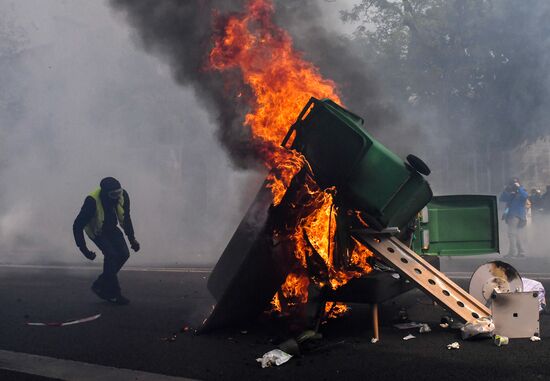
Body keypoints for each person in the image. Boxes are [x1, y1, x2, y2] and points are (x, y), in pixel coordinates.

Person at [73, 177, 140, 304]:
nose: (117, 197)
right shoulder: (91, 201)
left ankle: (100, 283)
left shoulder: (123, 195)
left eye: (118, 193)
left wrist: (132, 240)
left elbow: (126, 219)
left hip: (112, 228)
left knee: (124, 254)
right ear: (105, 194)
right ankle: (114, 293)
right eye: (113, 195)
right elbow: (77, 225)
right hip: (97, 231)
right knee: (111, 256)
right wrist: (84, 249)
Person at [499, 178, 528, 258]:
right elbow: (502, 198)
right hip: (514, 215)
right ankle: (521, 252)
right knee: (516, 234)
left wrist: (519, 188)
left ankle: (512, 253)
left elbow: (525, 196)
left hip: (515, 215)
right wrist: (506, 190)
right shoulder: (511, 194)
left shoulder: (521, 191)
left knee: (511, 234)